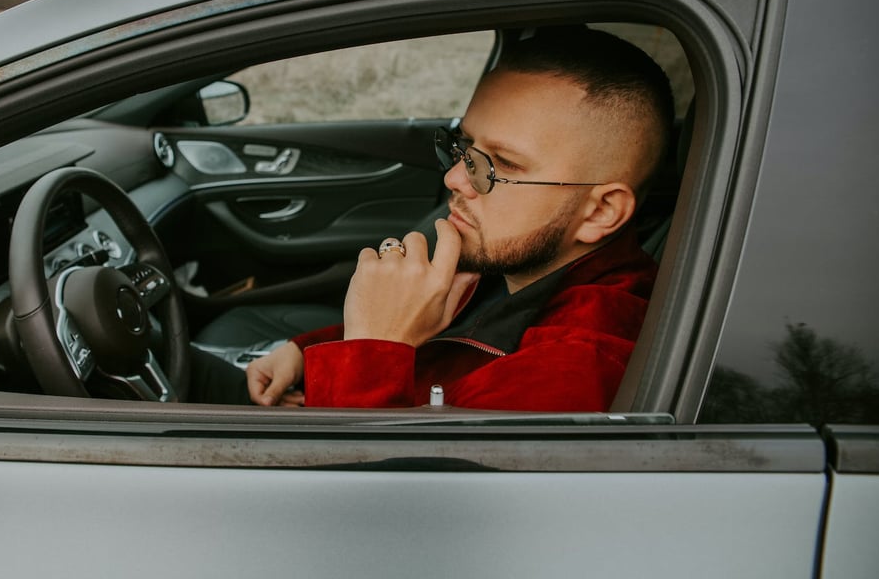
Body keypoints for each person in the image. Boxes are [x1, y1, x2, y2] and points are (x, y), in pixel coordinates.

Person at [199, 26, 675, 410]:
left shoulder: (568, 376)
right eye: (465, 148)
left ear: (601, 212)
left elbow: (373, 501)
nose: (455, 180)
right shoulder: (517, 258)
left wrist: (371, 348)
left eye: (501, 166)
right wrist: (309, 351)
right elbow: (448, 347)